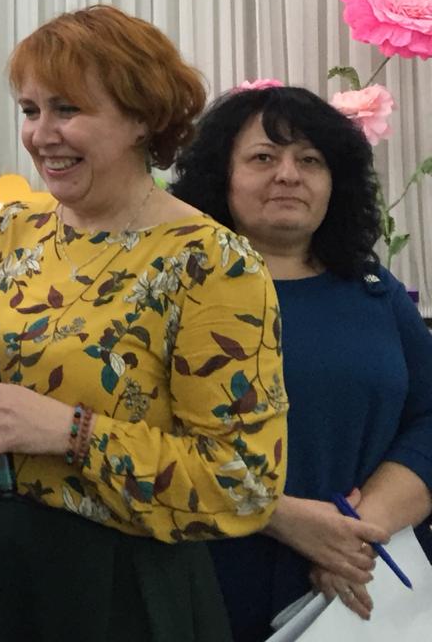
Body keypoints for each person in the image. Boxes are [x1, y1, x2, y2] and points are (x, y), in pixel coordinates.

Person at [0, 6, 288, 642]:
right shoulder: (15, 230)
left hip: (105, 584)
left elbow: (242, 481)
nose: (41, 134)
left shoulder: (210, 262)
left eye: (68, 109)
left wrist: (72, 432)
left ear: (142, 118)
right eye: (31, 110)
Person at [172, 84, 432, 639]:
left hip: (361, 590)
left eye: (310, 160)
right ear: (222, 176)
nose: (289, 175)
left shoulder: (373, 290)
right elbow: (143, 437)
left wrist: (359, 532)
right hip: (212, 578)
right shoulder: (179, 291)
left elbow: (429, 418)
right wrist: (284, 518)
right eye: (263, 158)